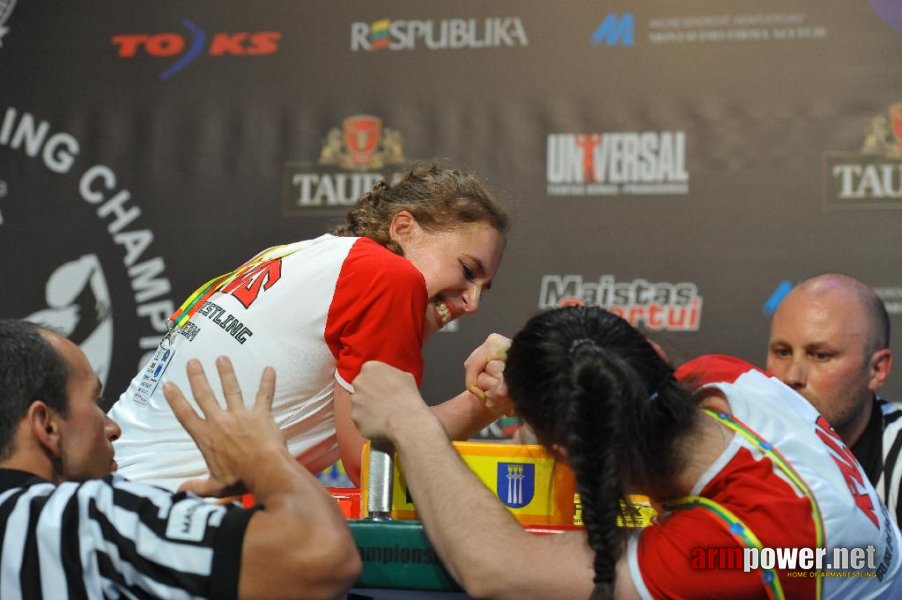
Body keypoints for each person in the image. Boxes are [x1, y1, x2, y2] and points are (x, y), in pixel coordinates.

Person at [351, 306, 902, 599]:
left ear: (567, 451)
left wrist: (410, 422)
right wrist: (538, 366)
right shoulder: (724, 381)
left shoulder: (738, 545)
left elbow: (497, 570)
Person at [107, 162, 510, 489]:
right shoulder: (389, 277)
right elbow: (374, 469)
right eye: (467, 270)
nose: (472, 303)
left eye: (484, 290)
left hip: (105, 488)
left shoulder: (303, 254)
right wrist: (488, 402)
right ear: (403, 228)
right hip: (154, 514)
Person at [0, 319, 360, 599]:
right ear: (46, 425)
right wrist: (265, 457)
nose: (112, 427)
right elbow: (321, 559)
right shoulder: (88, 516)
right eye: (94, 403)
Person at [767, 273, 902, 523]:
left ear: (877, 369)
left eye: (820, 355)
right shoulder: (736, 446)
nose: (791, 376)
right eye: (782, 352)